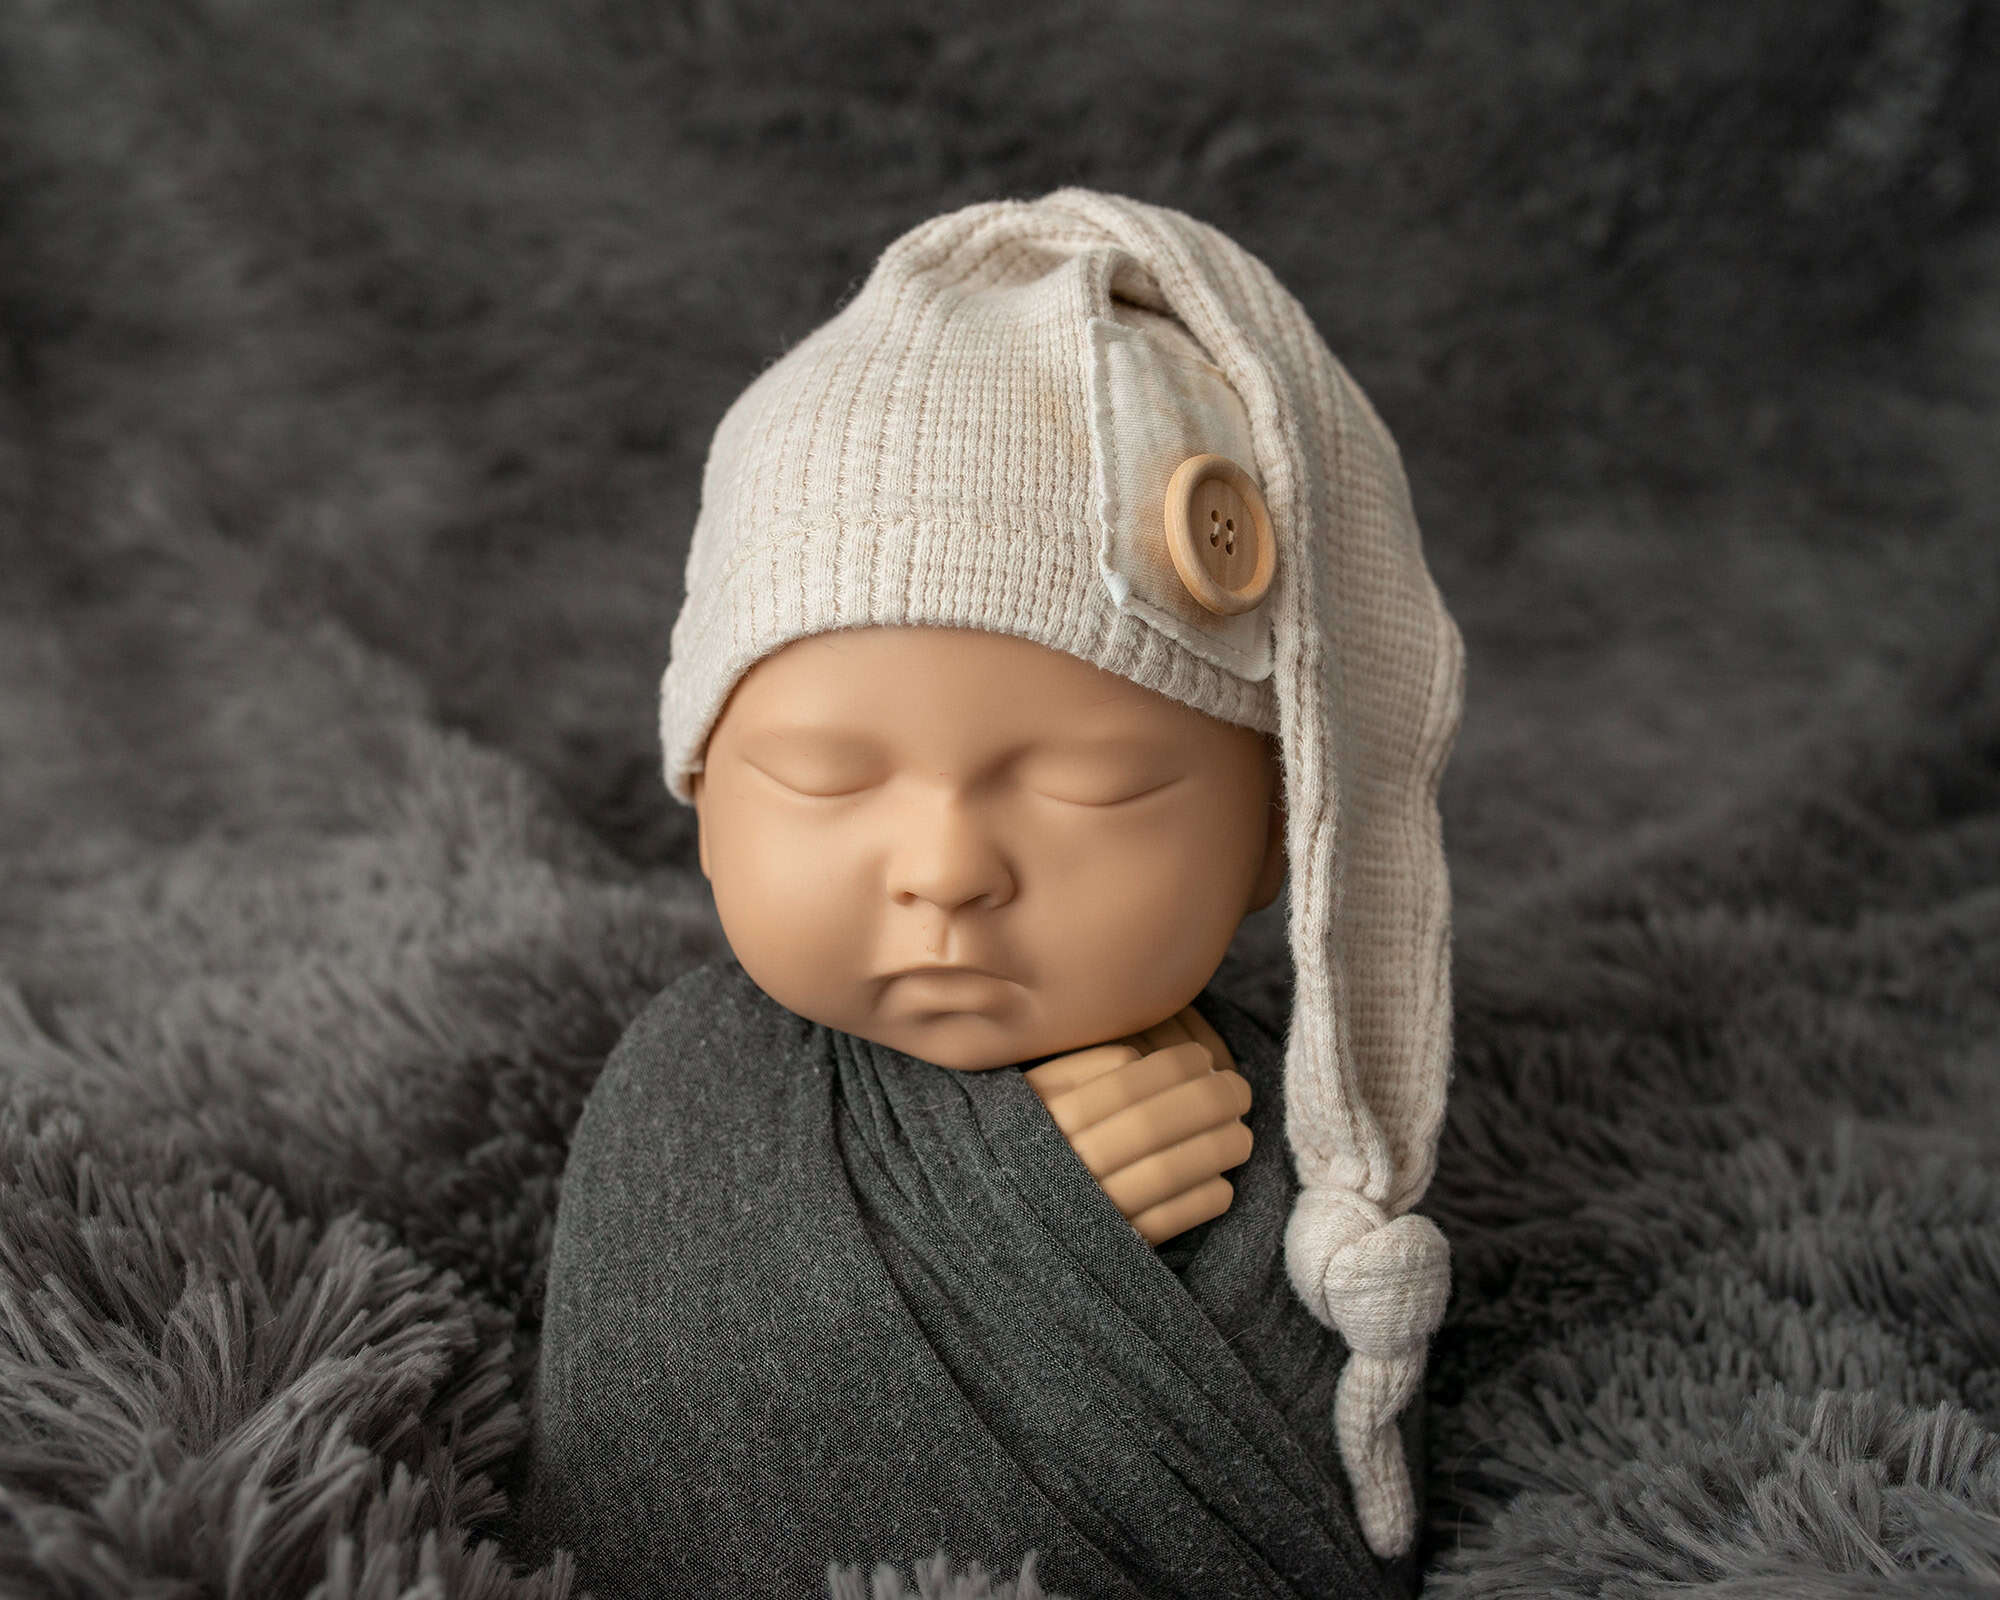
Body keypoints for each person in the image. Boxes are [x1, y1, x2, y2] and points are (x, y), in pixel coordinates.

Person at [528, 189, 1465, 1599]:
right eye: (827, 777)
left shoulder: (1318, 1137)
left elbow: (1331, 1487)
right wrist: (1022, 1225)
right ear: (705, 799)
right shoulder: (685, 1095)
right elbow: (637, 1460)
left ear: (1283, 835)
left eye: (1095, 786)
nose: (949, 870)